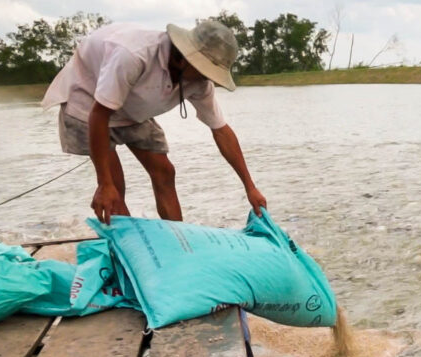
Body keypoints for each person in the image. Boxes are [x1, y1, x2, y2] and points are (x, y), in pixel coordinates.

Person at [41, 20, 266, 224]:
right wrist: (104, 183)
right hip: (89, 102)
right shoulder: (134, 55)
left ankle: (179, 239)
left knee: (165, 171)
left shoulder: (199, 83)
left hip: (132, 108)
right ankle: (126, 247)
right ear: (181, 59)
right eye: (203, 71)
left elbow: (221, 131)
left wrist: (250, 187)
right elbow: (100, 114)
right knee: (114, 188)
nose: (206, 79)